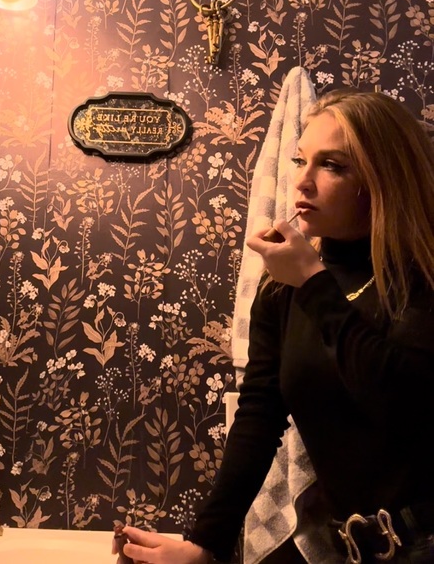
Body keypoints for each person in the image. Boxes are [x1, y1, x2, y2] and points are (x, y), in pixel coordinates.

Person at [112, 89, 434, 563]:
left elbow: (404, 404)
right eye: (300, 160)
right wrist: (205, 543)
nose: (301, 181)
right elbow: (260, 415)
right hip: (348, 549)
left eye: (332, 165)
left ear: (382, 179)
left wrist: (314, 284)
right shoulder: (284, 286)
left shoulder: (421, 277)